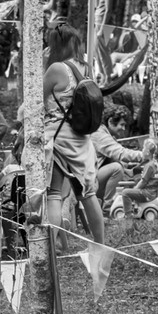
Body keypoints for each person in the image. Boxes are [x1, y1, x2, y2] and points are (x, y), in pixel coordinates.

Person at [43, 19, 106, 245]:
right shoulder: (86, 67)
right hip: (82, 137)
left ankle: (48, 247)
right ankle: (101, 245)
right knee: (88, 195)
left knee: (53, 193)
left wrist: (43, 63)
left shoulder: (56, 68)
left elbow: (38, 99)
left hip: (58, 137)